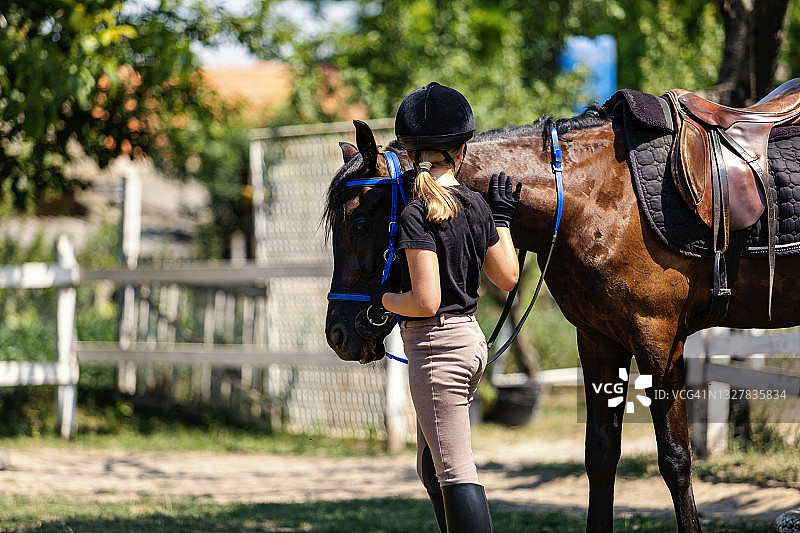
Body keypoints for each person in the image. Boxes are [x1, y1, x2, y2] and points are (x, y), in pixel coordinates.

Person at [377, 82, 521, 533]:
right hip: (470, 344)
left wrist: (381, 299)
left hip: (436, 350)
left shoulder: (416, 214)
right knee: (430, 464)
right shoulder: (477, 204)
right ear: (461, 150)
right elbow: (508, 277)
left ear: (409, 151)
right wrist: (501, 220)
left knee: (456, 472)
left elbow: (425, 300)